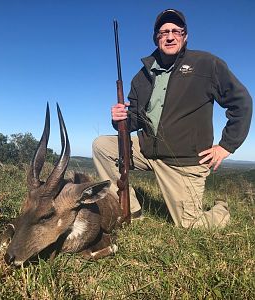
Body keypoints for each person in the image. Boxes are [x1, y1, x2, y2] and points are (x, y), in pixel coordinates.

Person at [92, 9, 252, 229]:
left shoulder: (207, 64)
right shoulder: (142, 76)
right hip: (148, 150)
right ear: (156, 38)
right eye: (163, 32)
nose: (169, 36)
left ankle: (221, 208)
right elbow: (135, 120)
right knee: (102, 146)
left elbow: (241, 102)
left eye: (176, 31)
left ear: (185, 36)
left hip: (183, 162)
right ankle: (130, 208)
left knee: (190, 226)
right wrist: (120, 118)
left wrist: (227, 146)